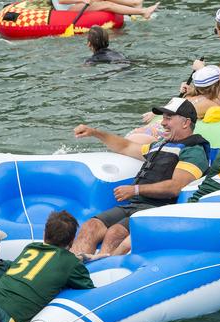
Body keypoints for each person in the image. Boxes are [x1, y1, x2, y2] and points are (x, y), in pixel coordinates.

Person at [72, 97, 210, 256]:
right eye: (163, 118)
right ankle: (72, 271)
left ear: (185, 123)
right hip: (134, 205)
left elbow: (175, 187)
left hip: (157, 209)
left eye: (169, 118)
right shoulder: (159, 145)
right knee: (91, 225)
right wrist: (95, 132)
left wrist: (136, 189)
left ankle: (100, 273)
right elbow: (126, 146)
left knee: (115, 233)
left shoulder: (193, 151)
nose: (163, 122)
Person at [51, 0, 159, 19]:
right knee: (107, 5)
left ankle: (134, 3)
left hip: (76, 4)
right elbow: (62, 1)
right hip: (66, 10)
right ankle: (143, 12)